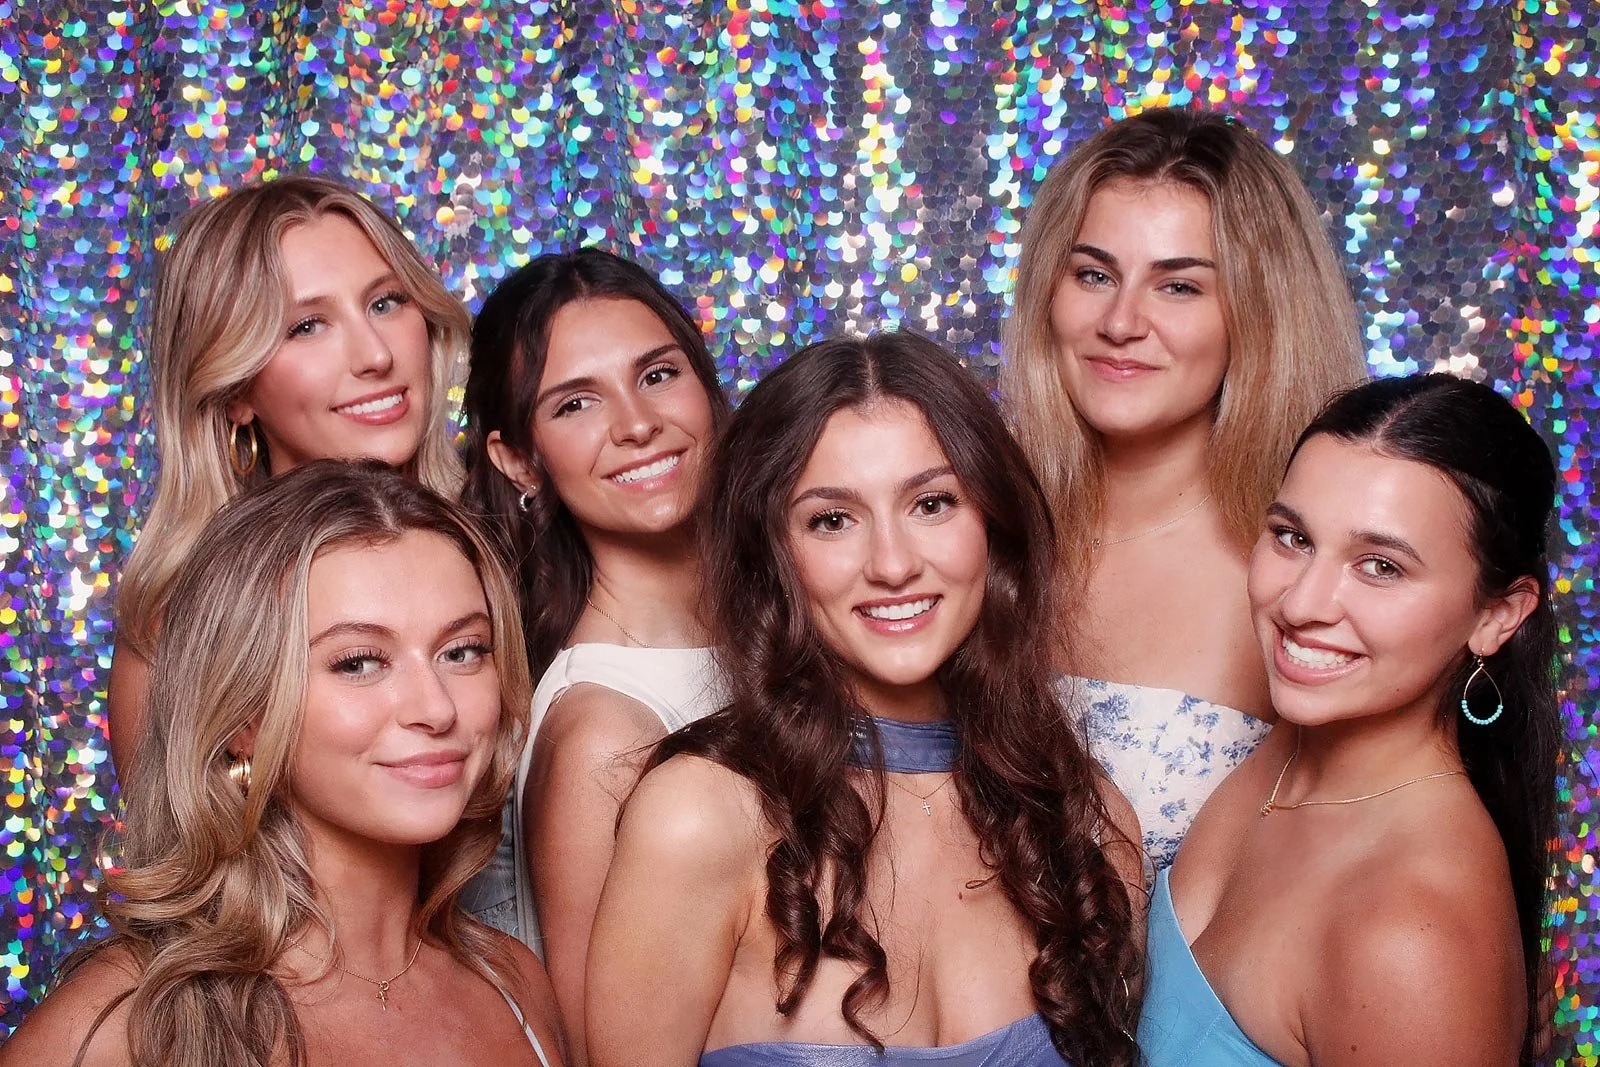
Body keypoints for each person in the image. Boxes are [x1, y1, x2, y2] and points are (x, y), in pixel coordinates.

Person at [587, 332, 1145, 1067]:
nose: (892, 563)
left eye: (932, 503)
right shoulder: (699, 817)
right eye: (832, 519)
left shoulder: (1086, 824)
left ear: (994, 525)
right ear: (774, 556)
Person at [2, 461, 563, 1067]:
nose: (436, 709)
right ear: (243, 717)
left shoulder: (513, 984)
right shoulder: (120, 1027)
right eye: (358, 662)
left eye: (462, 651)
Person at [1137, 374, 1558, 1065]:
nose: (1301, 604)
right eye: (1293, 537)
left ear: (1497, 615)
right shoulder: (1293, 745)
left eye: (1381, 566)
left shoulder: (1414, 940)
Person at [1002, 107, 1368, 867]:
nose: (1121, 322)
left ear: (1258, 315)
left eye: (1178, 286)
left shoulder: (1301, 584)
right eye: (1093, 275)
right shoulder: (969, 530)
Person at [459, 248, 731, 1059]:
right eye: (576, 402)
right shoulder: (600, 732)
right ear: (518, 460)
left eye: (658, 374)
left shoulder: (787, 634)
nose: (636, 423)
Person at [108, 175, 471, 772]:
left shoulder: (503, 549)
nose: (376, 355)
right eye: (306, 326)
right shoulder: (182, 619)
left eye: (385, 302)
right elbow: (174, 833)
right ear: (234, 391)